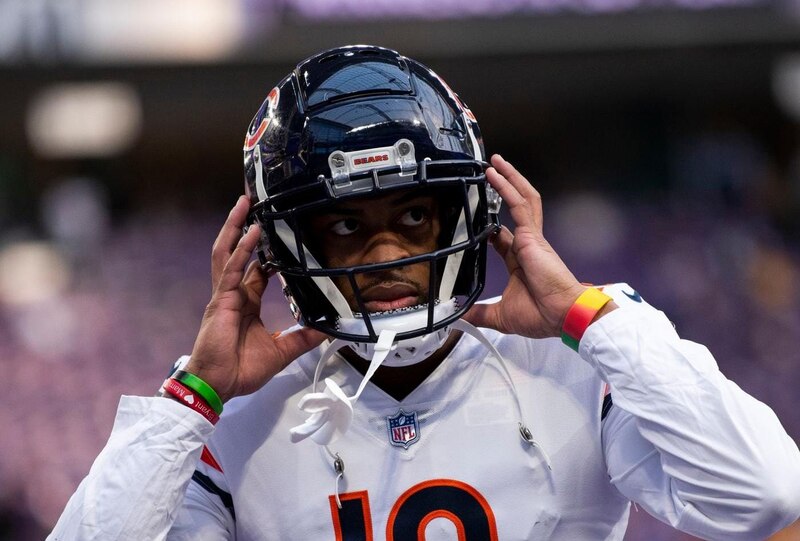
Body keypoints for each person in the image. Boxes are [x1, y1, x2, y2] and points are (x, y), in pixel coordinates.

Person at [49, 45, 800, 540]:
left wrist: (591, 315)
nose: (383, 253)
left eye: (413, 214)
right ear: (284, 247)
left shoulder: (580, 368)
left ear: (469, 214)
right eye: (346, 223)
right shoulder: (233, 421)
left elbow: (765, 493)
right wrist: (196, 396)